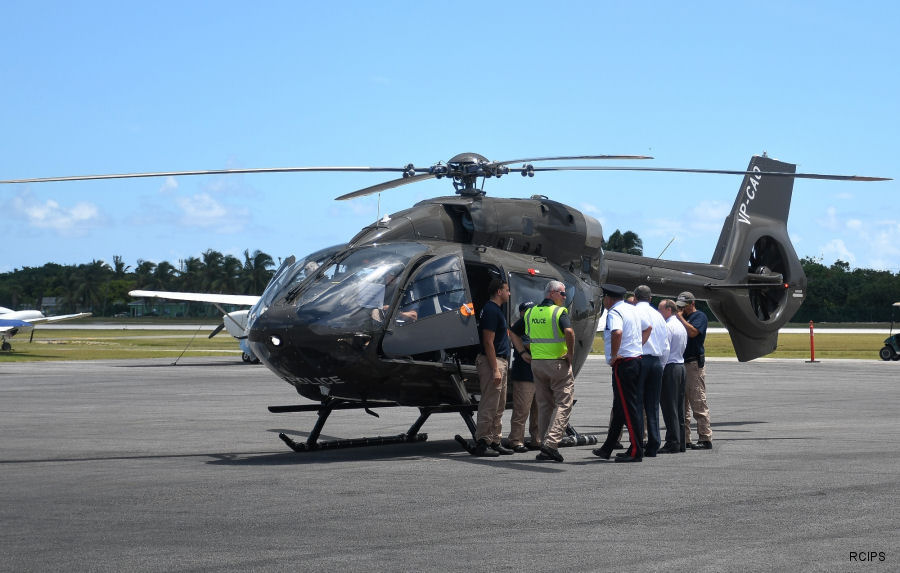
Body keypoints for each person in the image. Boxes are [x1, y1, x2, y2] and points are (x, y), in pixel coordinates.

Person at [520, 280, 575, 463]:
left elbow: (512, 330)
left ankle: (543, 445)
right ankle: (551, 444)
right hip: (557, 364)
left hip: (537, 364)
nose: (564, 297)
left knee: (544, 405)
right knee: (564, 403)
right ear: (551, 293)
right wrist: (570, 353)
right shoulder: (559, 312)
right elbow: (569, 331)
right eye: (562, 293)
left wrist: (522, 351)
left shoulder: (531, 312)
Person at [593, 283, 645, 463]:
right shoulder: (632, 310)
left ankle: (636, 451)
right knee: (620, 407)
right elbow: (647, 328)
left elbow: (617, 332)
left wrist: (614, 355)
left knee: (628, 409)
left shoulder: (614, 312)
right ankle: (608, 447)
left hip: (624, 363)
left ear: (608, 298)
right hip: (635, 360)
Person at [470, 277, 513, 457]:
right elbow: (488, 342)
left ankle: (495, 440)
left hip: (500, 361)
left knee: (499, 404)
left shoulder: (496, 310)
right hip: (492, 362)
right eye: (507, 290)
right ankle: (482, 441)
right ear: (499, 292)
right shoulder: (490, 310)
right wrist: (495, 368)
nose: (509, 293)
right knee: (489, 404)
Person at [633, 284, 669, 457]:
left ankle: (638, 442)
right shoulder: (658, 316)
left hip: (640, 359)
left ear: (635, 297)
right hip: (656, 361)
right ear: (651, 298)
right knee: (653, 405)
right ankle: (654, 443)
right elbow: (666, 345)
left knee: (638, 404)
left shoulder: (634, 313)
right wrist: (660, 364)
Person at [676, 291, 712, 450]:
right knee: (681, 404)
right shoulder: (683, 316)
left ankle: (705, 438)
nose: (681, 309)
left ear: (692, 303)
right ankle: (685, 438)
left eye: (684, 306)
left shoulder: (699, 317)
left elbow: (693, 333)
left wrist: (680, 318)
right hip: (681, 363)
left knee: (697, 401)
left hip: (693, 364)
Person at [507, 301, 540, 453]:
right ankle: (516, 440)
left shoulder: (535, 325)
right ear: (521, 313)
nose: (530, 313)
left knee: (538, 410)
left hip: (538, 372)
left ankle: (536, 439)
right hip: (525, 373)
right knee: (522, 409)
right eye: (527, 311)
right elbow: (528, 345)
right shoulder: (521, 327)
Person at [657, 298, 687, 453]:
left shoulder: (667, 326)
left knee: (669, 407)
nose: (658, 312)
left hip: (670, 367)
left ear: (669, 310)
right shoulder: (680, 325)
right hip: (680, 366)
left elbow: (665, 349)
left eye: (660, 309)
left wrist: (660, 368)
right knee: (679, 407)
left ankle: (672, 442)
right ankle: (681, 441)